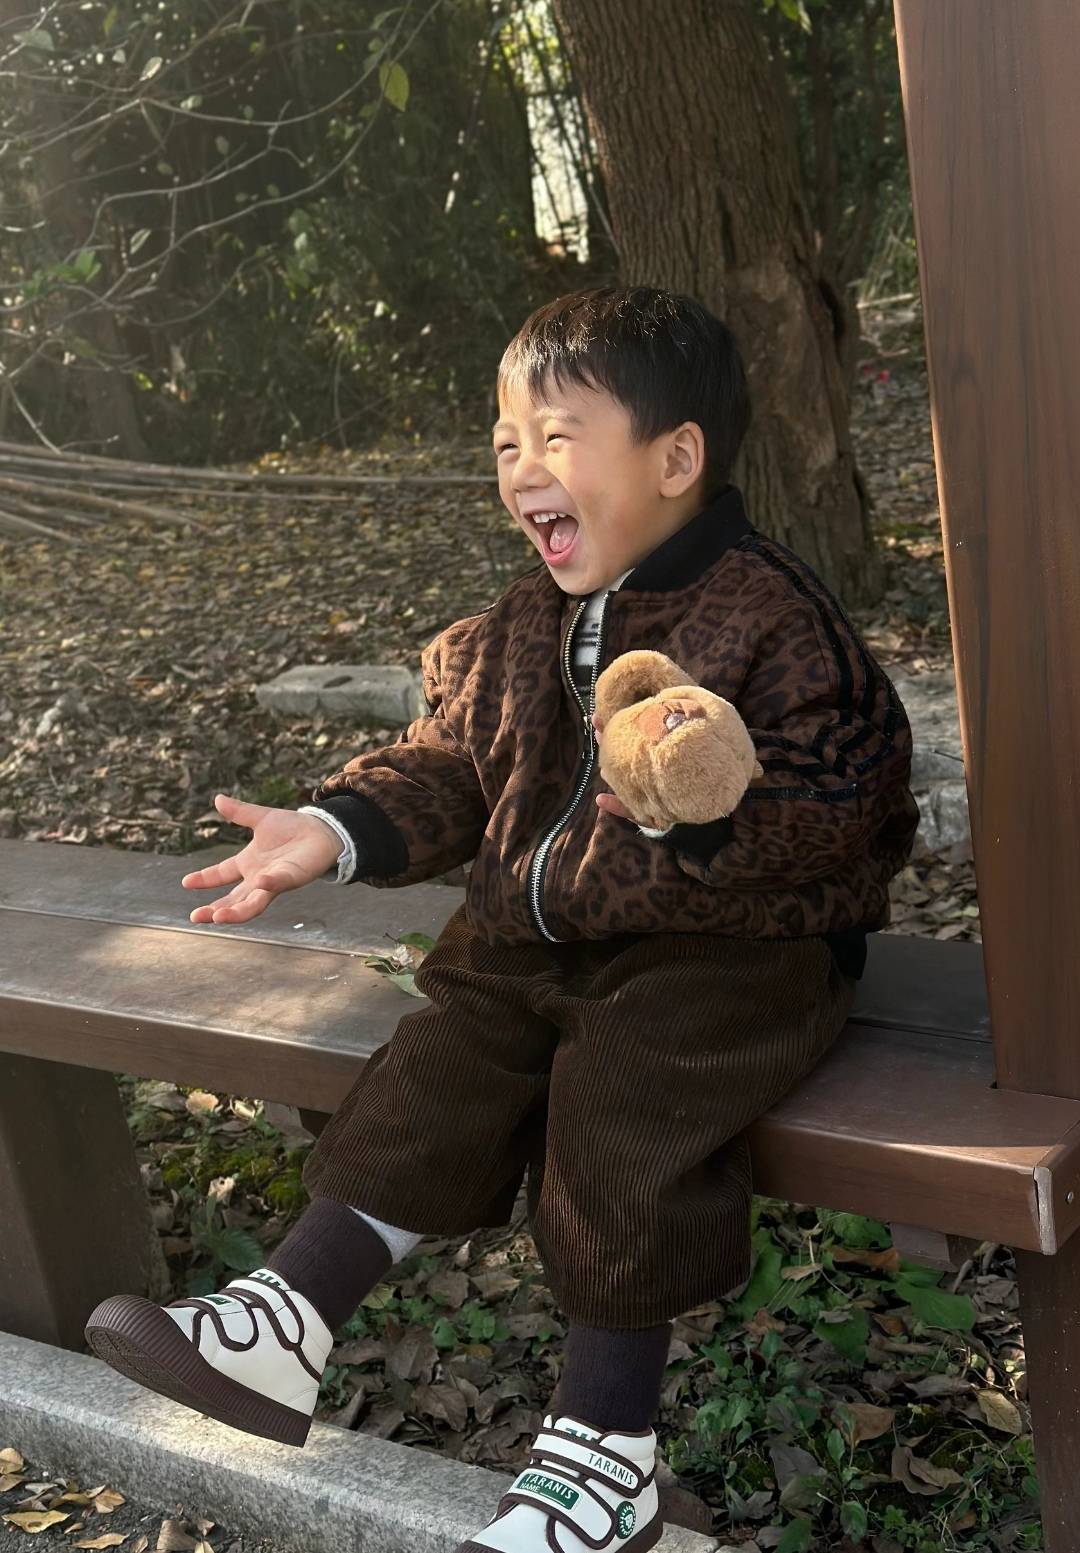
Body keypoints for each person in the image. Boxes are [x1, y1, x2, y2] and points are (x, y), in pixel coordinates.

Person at [85, 286, 919, 1553]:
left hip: (734, 945)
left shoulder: (768, 613)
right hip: (546, 929)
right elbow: (454, 760)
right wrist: (334, 826)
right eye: (505, 441)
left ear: (675, 459)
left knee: (623, 1096)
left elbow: (852, 794)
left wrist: (711, 809)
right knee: (446, 1045)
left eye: (556, 437)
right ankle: (285, 1322)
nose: (523, 468)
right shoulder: (529, 621)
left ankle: (607, 1457)